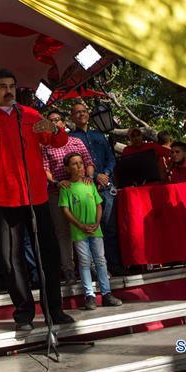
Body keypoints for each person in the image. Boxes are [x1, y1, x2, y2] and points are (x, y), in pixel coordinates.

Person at [0, 69, 74, 332]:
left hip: (36, 197)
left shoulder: (29, 115)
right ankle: (24, 313)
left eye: (12, 86)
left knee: (48, 256)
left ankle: (55, 309)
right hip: (3, 199)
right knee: (10, 259)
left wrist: (53, 128)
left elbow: (60, 141)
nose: (8, 91)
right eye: (3, 86)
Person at [59, 153, 123, 310]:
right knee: (85, 262)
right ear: (67, 168)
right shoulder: (66, 187)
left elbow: (98, 204)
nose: (80, 166)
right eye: (75, 164)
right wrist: (80, 225)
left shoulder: (89, 184)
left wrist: (96, 222)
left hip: (95, 230)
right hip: (79, 232)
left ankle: (107, 293)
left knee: (101, 261)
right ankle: (89, 295)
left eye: (81, 163)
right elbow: (65, 210)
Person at [41, 109, 95, 284]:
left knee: (87, 228)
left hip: (81, 191)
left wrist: (89, 178)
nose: (55, 123)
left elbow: (88, 162)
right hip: (58, 193)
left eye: (57, 120)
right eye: (50, 121)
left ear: (63, 123)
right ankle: (69, 270)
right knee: (63, 232)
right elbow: (45, 170)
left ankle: (91, 267)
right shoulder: (45, 146)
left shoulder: (76, 141)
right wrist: (56, 182)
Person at [68, 101, 121, 274]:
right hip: (86, 187)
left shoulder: (99, 136)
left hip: (106, 186)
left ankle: (114, 265)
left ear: (88, 114)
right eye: (77, 112)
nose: (81, 114)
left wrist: (105, 173)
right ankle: (98, 270)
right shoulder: (71, 139)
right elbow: (74, 164)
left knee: (110, 226)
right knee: (92, 228)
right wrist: (95, 175)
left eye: (84, 111)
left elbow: (111, 158)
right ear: (72, 117)